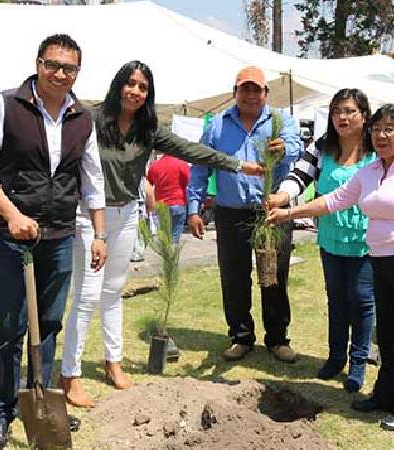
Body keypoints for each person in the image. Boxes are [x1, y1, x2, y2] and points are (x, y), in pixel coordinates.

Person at [60, 61, 265, 408]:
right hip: (89, 216)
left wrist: (236, 164)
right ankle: (71, 374)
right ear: (118, 85)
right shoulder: (92, 120)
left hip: (126, 214)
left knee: (112, 292)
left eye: (142, 87)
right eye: (130, 84)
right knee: (87, 295)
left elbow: (192, 150)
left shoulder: (148, 128)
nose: (135, 92)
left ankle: (113, 361)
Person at [268, 104, 394, 431]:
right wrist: (288, 213)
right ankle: (385, 394)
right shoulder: (369, 171)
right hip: (381, 263)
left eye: (390, 129)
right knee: (389, 335)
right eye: (377, 129)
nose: (381, 135)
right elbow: (333, 200)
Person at [0, 34, 106, 450]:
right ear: (38, 64)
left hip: (61, 235)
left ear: (77, 72)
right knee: (12, 326)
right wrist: (12, 215)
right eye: (53, 65)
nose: (60, 74)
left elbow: (92, 180)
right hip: (12, 237)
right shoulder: (5, 105)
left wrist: (98, 233)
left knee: (47, 324)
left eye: (70, 68)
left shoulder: (83, 117)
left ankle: (40, 403)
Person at [186, 66, 302, 363]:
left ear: (265, 93)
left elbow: (296, 147)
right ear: (234, 92)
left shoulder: (280, 120)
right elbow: (199, 167)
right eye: (244, 89)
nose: (250, 95)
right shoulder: (217, 126)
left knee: (274, 275)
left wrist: (283, 148)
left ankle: (277, 338)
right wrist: (193, 208)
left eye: (256, 89)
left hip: (272, 211)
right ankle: (240, 336)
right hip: (230, 212)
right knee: (234, 276)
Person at [267, 88, 376, 392]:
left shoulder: (375, 151)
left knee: (363, 302)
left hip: (367, 241)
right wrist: (283, 196)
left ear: (363, 115)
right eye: (337, 111)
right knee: (337, 300)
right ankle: (336, 357)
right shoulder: (321, 147)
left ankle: (358, 362)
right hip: (330, 239)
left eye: (350, 111)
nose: (342, 117)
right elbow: (298, 177)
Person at [145, 153, 190, 243]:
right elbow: (188, 182)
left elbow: (149, 183)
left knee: (164, 237)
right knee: (175, 236)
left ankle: (166, 255)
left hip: (161, 204)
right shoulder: (182, 164)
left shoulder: (155, 165)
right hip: (178, 202)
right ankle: (171, 256)